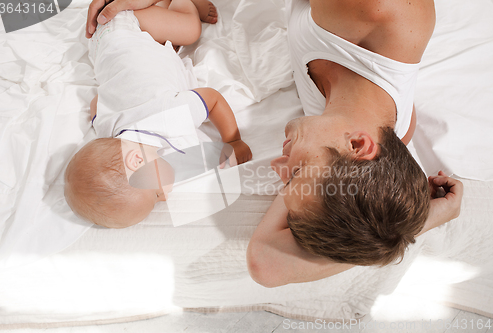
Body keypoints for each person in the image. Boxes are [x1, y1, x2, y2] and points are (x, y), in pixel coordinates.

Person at [83, 0, 463, 285]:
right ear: (359, 146)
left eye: (286, 181)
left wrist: (414, 225)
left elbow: (264, 262)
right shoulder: (376, 10)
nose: (275, 168)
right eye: (295, 172)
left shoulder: (348, 134)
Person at [65, 0, 252, 228]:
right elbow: (96, 104)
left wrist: (233, 140)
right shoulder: (107, 129)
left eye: (155, 195)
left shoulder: (169, 117)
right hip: (103, 43)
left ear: (137, 159)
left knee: (191, 30)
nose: (163, 197)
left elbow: (212, 99)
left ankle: (185, 3)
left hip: (128, 25)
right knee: (167, 46)